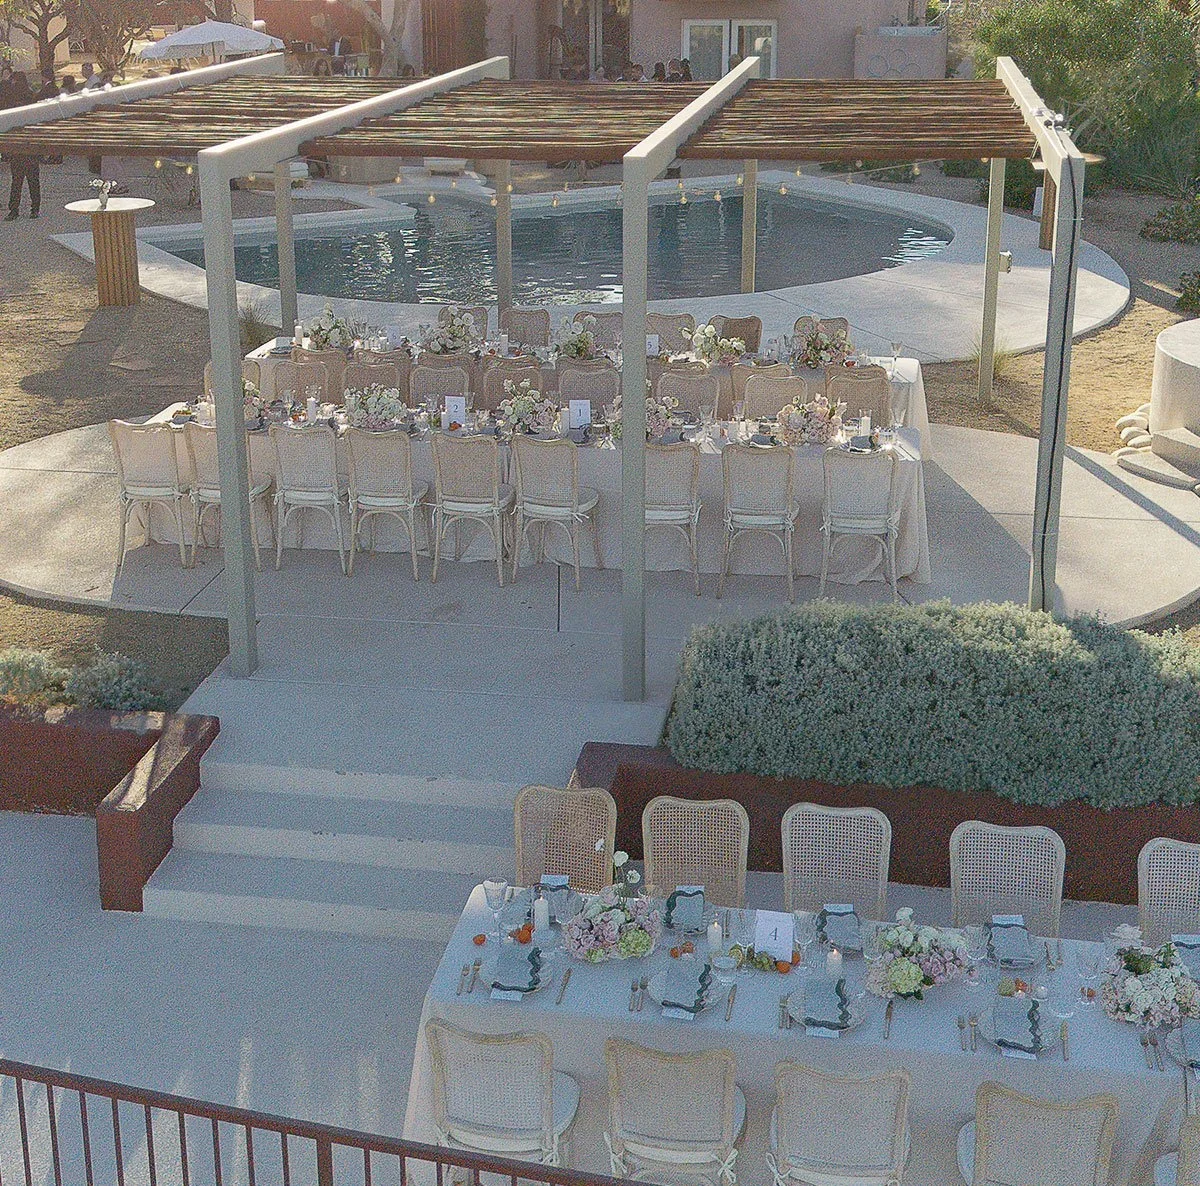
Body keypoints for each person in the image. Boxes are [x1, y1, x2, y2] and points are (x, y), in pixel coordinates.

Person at [5, 74, 39, 220]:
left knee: (17, 180)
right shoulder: (32, 96)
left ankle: (14, 209)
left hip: (17, 145)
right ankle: (35, 208)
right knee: (33, 179)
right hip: (30, 143)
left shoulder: (11, 99)